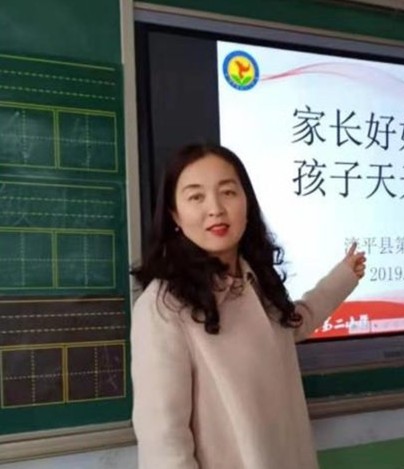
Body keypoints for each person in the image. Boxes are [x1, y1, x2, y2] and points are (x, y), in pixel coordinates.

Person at [130, 142, 366, 469]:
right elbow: (163, 441)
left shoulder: (255, 282)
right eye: (196, 197)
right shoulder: (164, 307)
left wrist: (343, 277)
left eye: (228, 192)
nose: (215, 209)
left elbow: (294, 323)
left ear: (247, 202)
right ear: (175, 215)